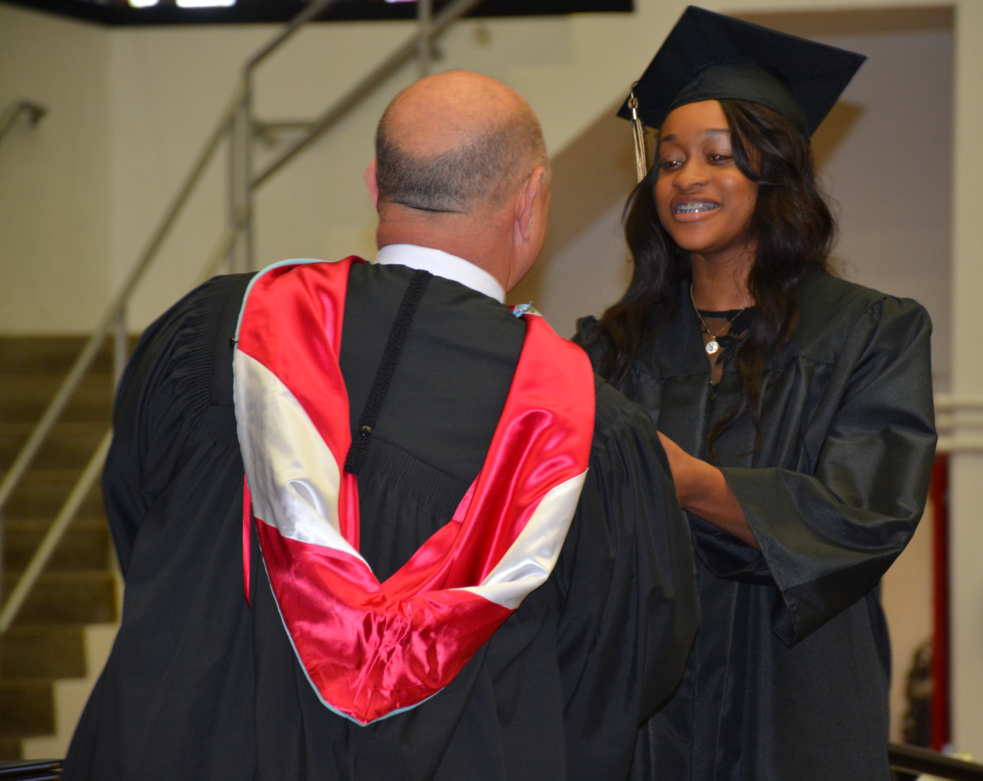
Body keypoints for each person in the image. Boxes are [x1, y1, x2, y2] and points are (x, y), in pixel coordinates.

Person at [65, 70, 698, 781]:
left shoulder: (215, 332)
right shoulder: (586, 427)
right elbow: (618, 674)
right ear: (531, 200)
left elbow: (138, 520)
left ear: (374, 185)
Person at [575, 8, 938, 779]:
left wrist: (686, 481)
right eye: (670, 160)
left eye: (719, 156)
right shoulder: (611, 348)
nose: (687, 178)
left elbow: (865, 515)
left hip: (798, 706)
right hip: (649, 719)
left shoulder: (870, 333)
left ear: (774, 173)